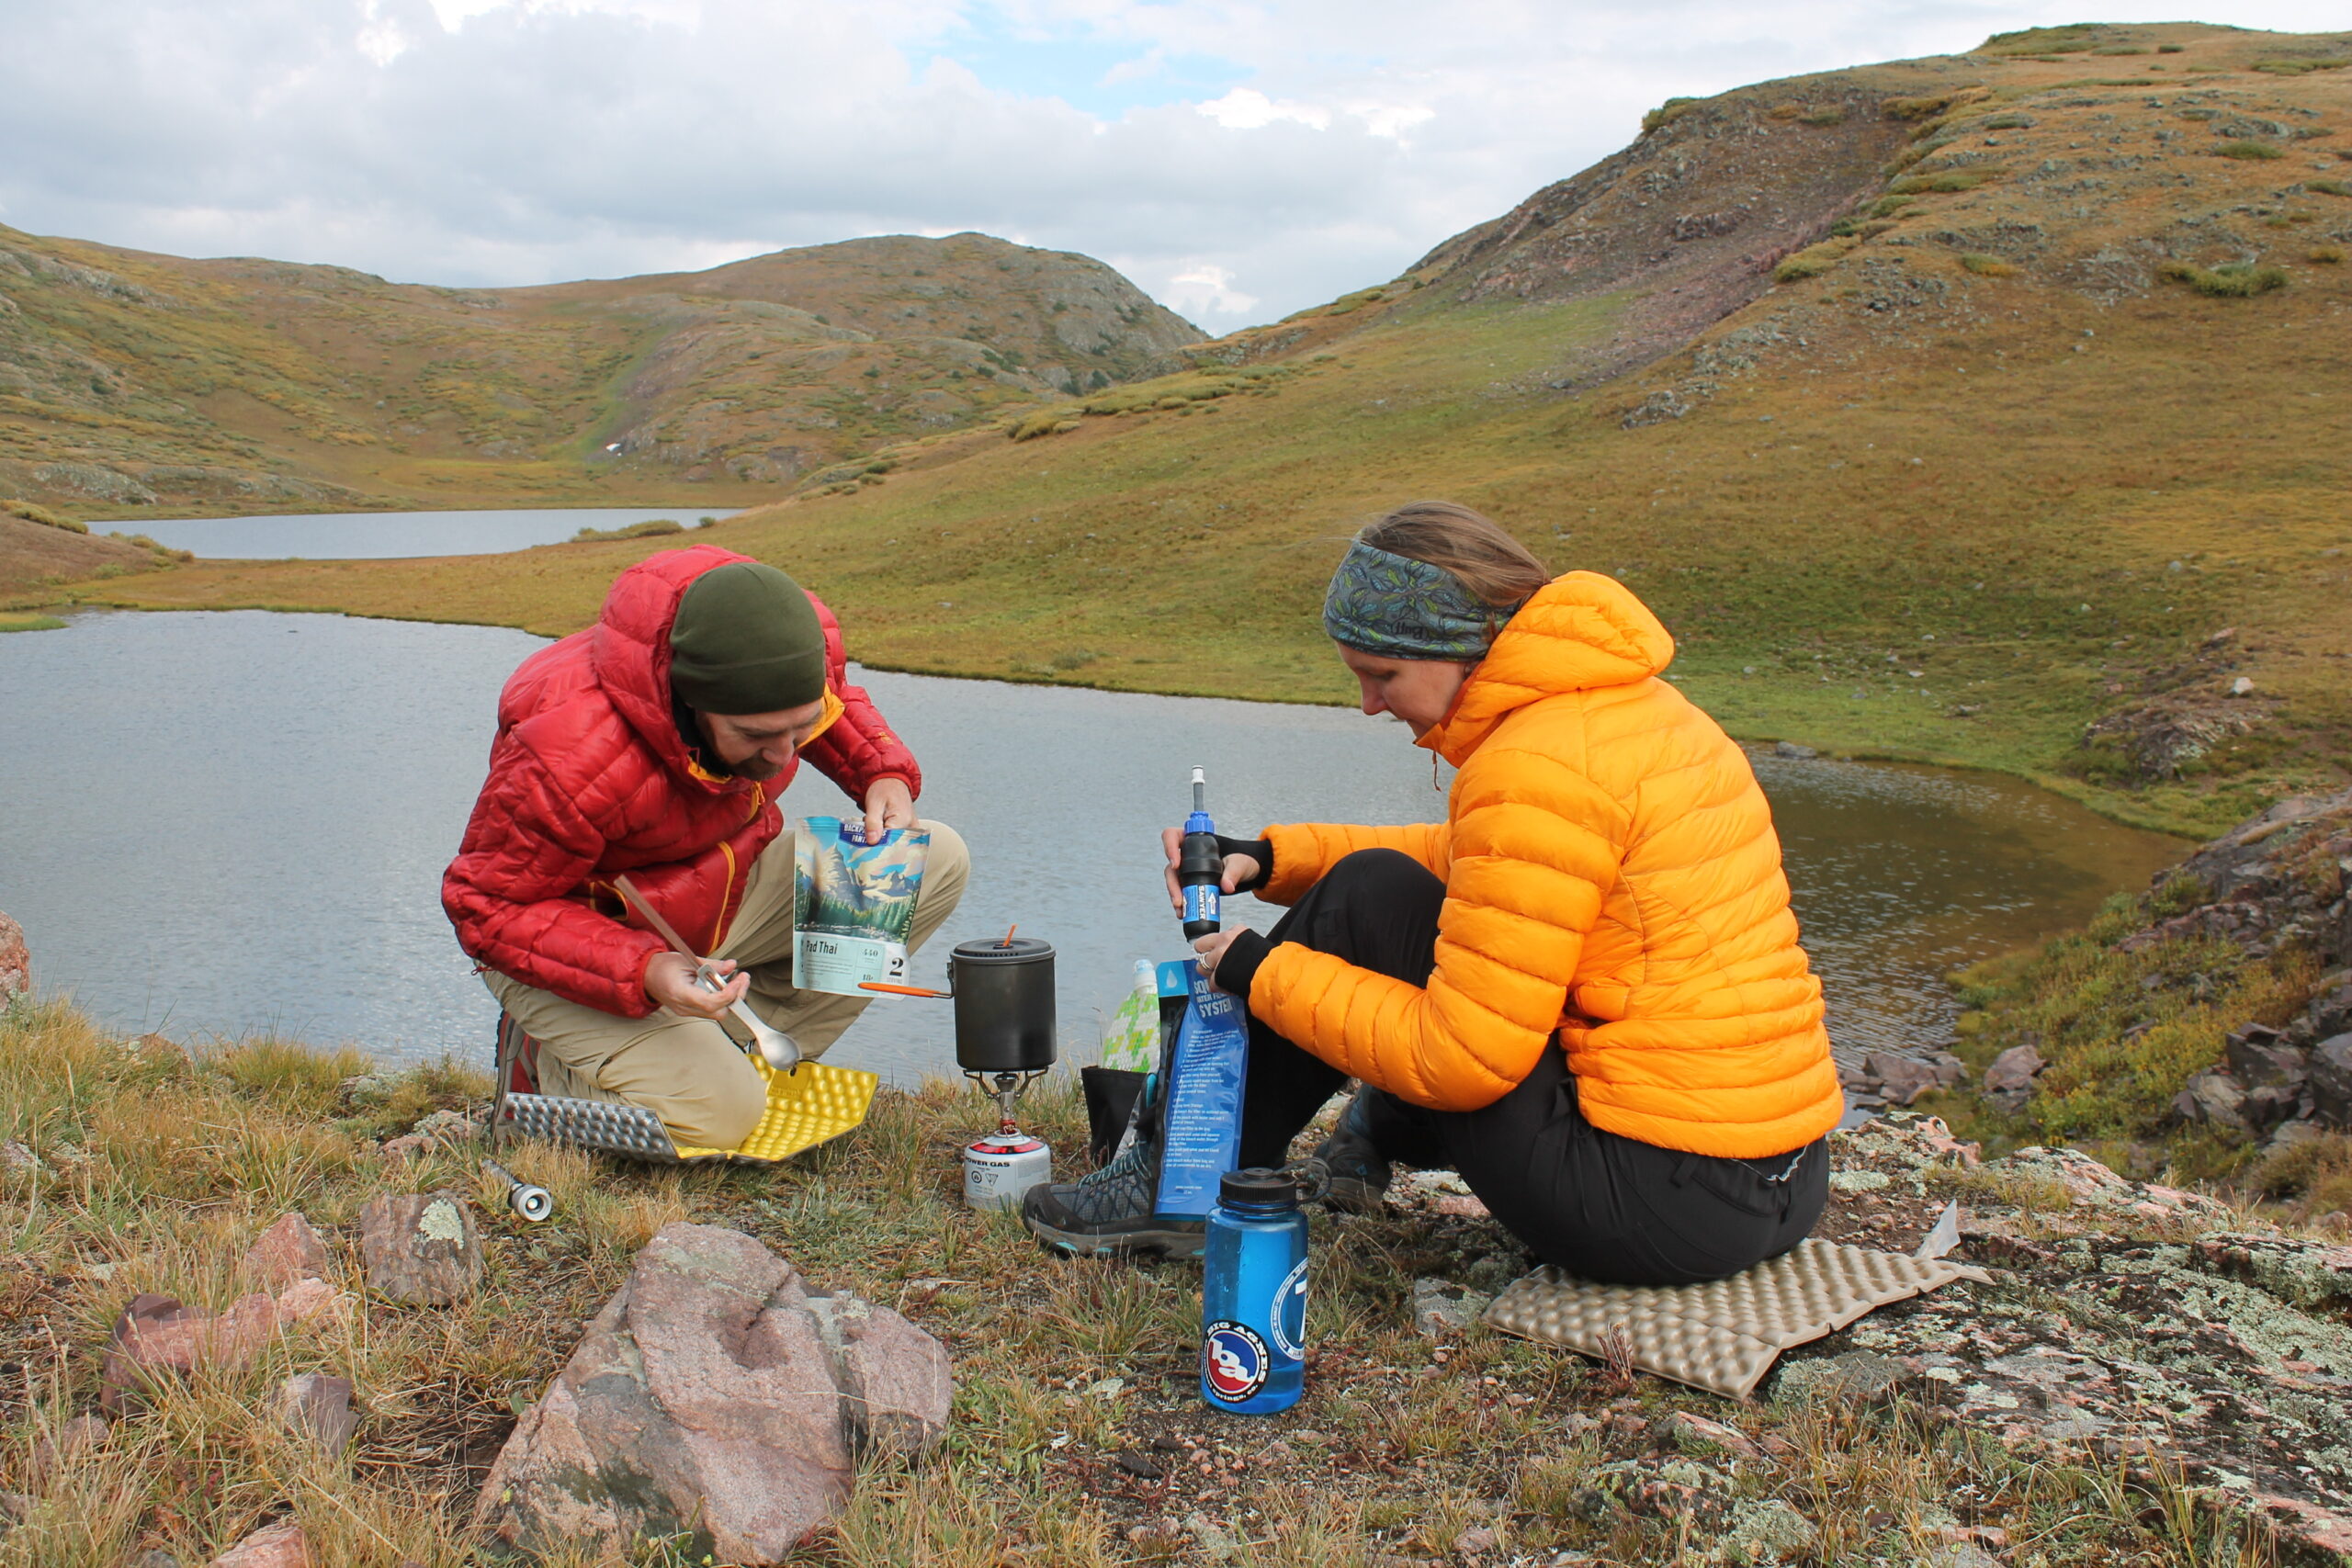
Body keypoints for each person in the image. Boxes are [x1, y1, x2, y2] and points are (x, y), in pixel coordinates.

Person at [1023, 502, 1838, 1282]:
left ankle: (1181, 1191)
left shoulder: (1535, 764)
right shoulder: (1630, 709)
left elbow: (1460, 1058)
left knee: (1373, 899)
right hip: (1779, 1182)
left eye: (1383, 674)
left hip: (1659, 1206)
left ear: (1468, 643)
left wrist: (1257, 971)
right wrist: (1271, 858)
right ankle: (1368, 1131)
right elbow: (1479, 860)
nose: (1369, 703)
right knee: (1376, 890)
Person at [443, 545, 967, 1150]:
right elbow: (485, 906)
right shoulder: (569, 754)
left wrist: (881, 772)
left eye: (800, 729)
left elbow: (830, 702)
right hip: (582, 944)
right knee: (722, 1118)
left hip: (716, 897)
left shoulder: (787, 631)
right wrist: (644, 970)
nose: (784, 756)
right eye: (755, 737)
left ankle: (737, 1043)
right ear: (688, 702)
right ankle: (547, 1067)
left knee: (928, 860)